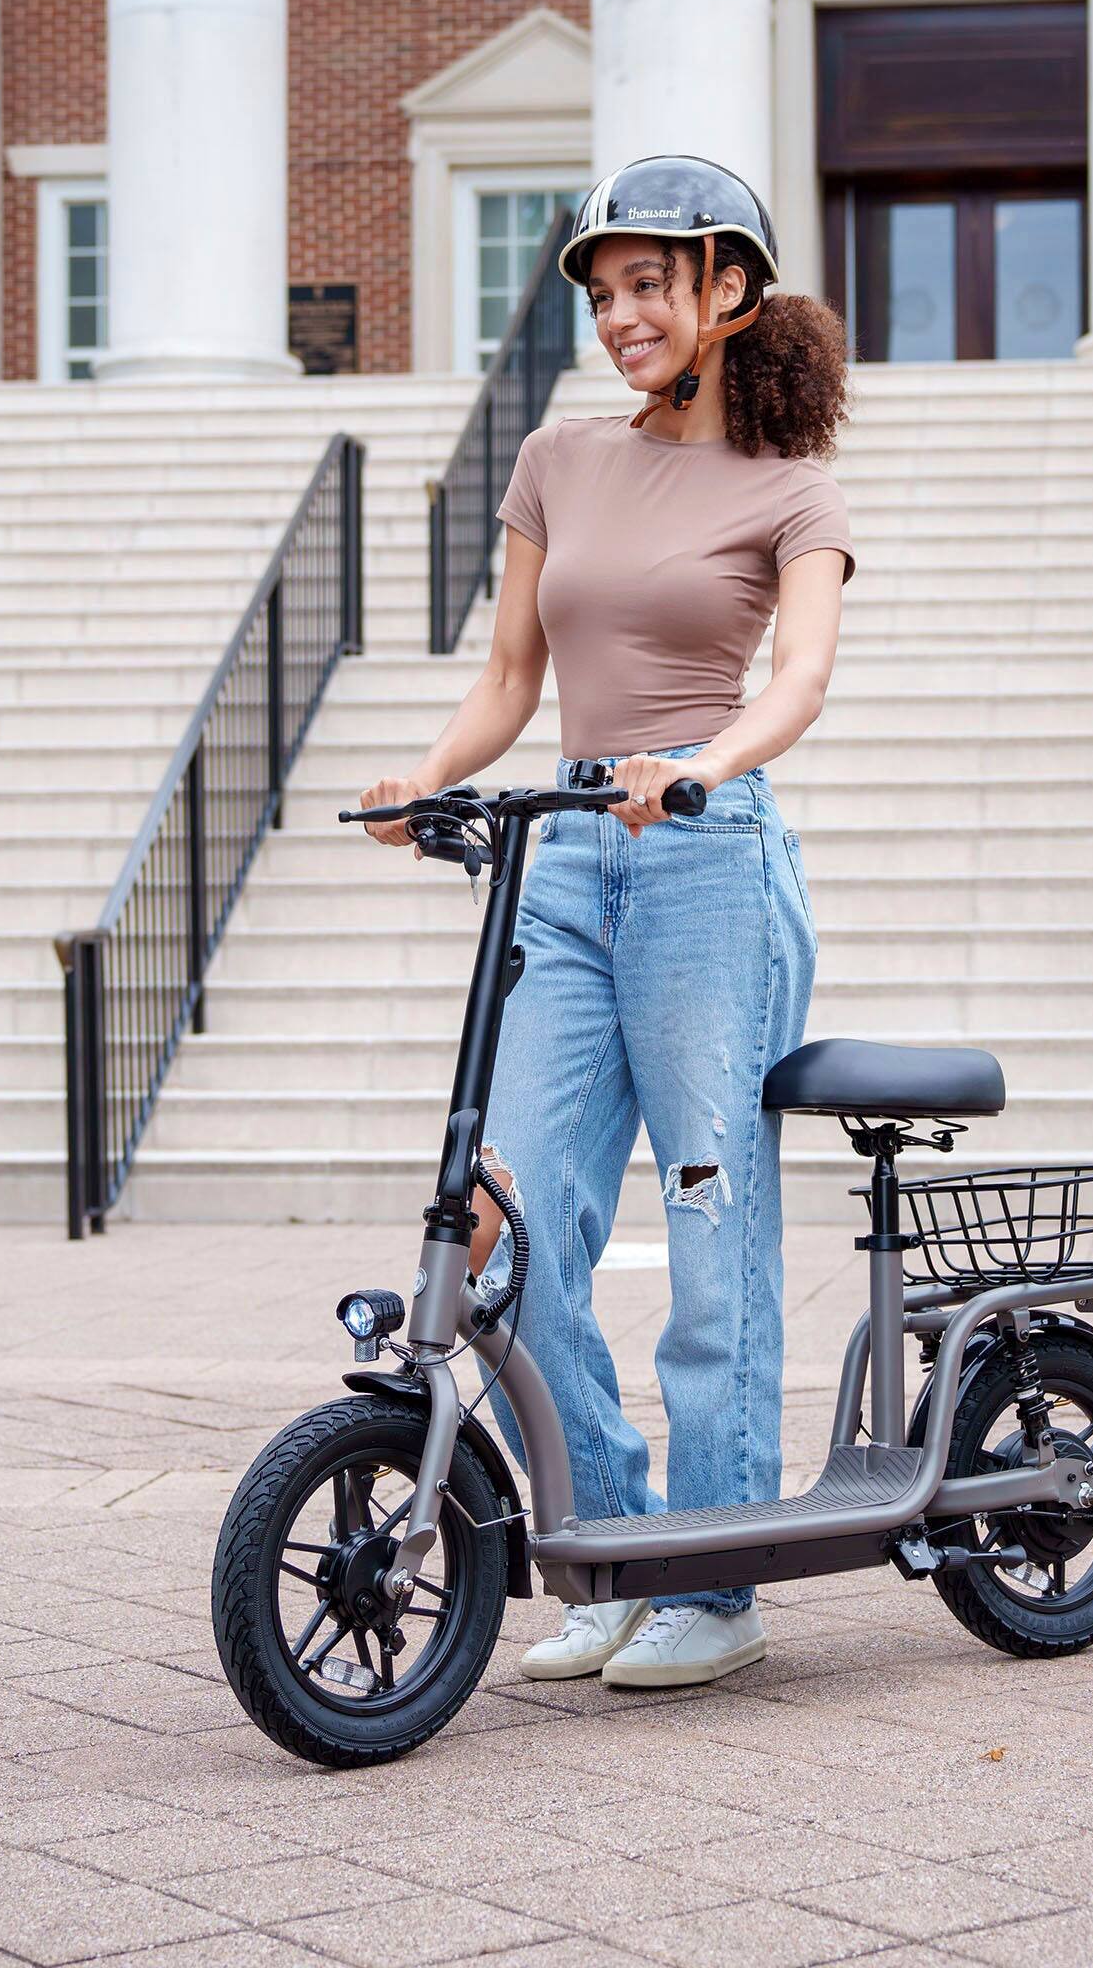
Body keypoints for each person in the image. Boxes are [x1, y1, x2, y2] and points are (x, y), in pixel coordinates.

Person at [357, 154, 855, 1689]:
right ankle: (614, 1544)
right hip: (565, 856)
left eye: (652, 283)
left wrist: (697, 772)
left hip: (707, 858)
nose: (623, 313)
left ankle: (715, 1575)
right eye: (605, 289)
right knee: (509, 1214)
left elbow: (799, 682)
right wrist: (426, 774)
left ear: (727, 291)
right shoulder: (558, 461)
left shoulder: (793, 490)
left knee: (711, 1224)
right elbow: (512, 679)